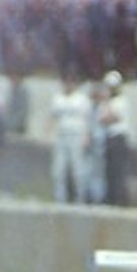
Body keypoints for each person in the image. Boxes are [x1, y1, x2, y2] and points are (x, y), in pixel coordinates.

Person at [49, 71, 90, 204]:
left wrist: (86, 136)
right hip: (61, 136)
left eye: (71, 81)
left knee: (78, 169)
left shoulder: (81, 99)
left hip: (76, 135)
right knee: (58, 169)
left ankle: (80, 198)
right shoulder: (58, 98)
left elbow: (87, 119)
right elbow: (52, 117)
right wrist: (47, 133)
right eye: (66, 81)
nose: (68, 84)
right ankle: (60, 198)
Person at [99, 71, 130, 207]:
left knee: (119, 170)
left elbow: (112, 117)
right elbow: (101, 119)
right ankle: (110, 198)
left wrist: (106, 107)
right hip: (109, 136)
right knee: (109, 170)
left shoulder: (121, 101)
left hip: (118, 137)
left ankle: (120, 200)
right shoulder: (108, 102)